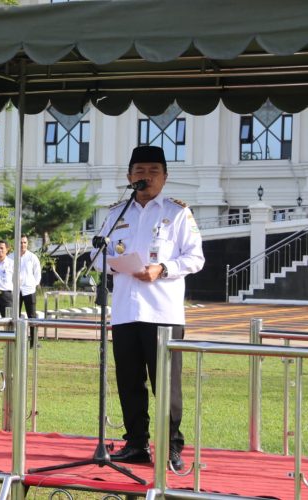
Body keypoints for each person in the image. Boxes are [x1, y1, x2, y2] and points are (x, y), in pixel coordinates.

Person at [93, 145, 205, 472]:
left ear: (165, 178)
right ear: (129, 177)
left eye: (154, 171)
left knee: (166, 385)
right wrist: (116, 266)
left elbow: (195, 258)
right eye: (140, 171)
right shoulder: (116, 213)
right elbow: (96, 254)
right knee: (129, 381)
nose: (146, 177)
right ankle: (136, 444)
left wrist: (162, 269)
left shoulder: (178, 213)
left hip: (163, 313)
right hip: (126, 311)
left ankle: (171, 447)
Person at [13, 235, 41, 342]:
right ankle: (16, 339)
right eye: (20, 242)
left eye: (24, 242)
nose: (22, 245)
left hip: (29, 290)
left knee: (32, 316)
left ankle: (33, 341)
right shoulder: (11, 256)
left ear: (27, 243)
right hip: (16, 290)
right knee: (16, 316)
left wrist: (33, 284)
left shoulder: (32, 257)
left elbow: (37, 273)